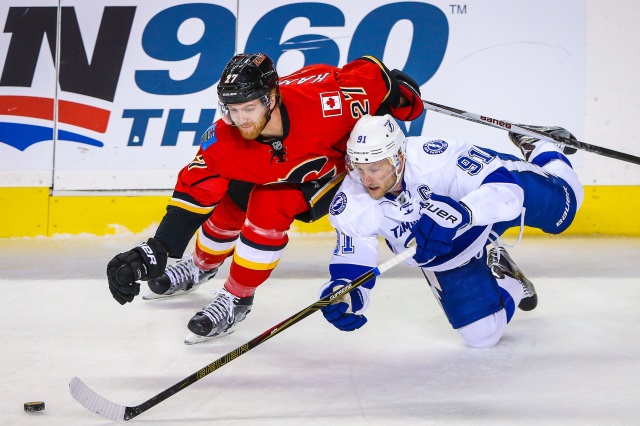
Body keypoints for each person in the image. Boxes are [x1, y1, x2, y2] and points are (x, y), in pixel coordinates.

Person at [106, 53, 424, 344]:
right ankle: (202, 266)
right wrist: (159, 247)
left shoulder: (329, 105)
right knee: (233, 198)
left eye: (249, 108)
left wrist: (397, 95)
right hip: (286, 161)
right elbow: (196, 191)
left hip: (333, 171)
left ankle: (237, 297)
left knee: (268, 205)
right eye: (232, 109)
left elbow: (371, 75)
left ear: (271, 98)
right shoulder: (223, 140)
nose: (241, 119)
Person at [319, 114, 583, 348]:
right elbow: (353, 263)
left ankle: (540, 145)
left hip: (487, 204)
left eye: (375, 168)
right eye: (359, 168)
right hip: (451, 251)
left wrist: (462, 213)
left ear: (399, 158)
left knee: (565, 208)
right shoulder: (351, 200)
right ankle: (506, 276)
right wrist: (346, 294)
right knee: (482, 336)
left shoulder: (436, 157)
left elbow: (507, 190)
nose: (366, 180)